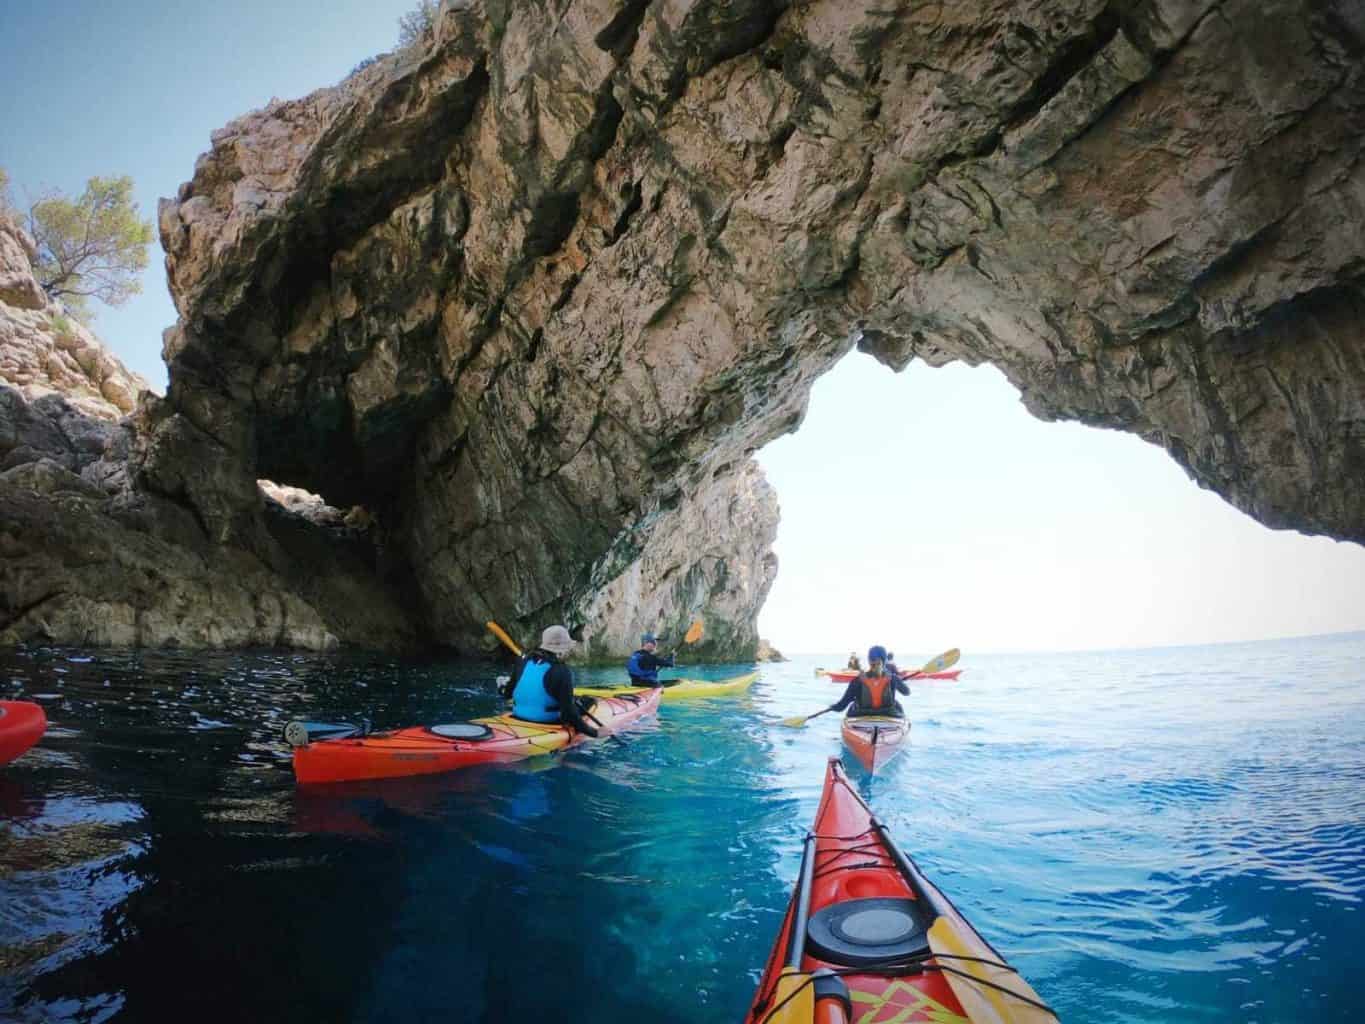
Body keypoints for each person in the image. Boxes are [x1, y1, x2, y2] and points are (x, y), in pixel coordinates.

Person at [500, 625, 599, 737]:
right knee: (590, 701)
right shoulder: (562, 671)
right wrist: (595, 733)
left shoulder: (522, 662)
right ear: (562, 649)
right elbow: (569, 715)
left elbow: (507, 694)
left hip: (517, 716)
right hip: (547, 722)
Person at [827, 645, 909, 718]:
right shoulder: (893, 678)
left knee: (852, 705)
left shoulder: (857, 680)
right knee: (897, 705)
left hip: (862, 713)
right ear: (884, 660)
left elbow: (841, 706)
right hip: (888, 713)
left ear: (869, 660)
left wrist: (832, 707)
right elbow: (907, 692)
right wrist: (899, 682)